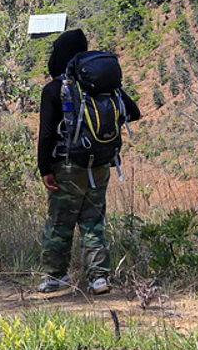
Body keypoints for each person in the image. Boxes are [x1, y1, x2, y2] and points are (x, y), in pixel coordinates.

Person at [36, 29, 141, 296]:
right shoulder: (100, 84)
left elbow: (47, 133)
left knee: (60, 222)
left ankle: (54, 277)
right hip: (100, 163)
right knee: (93, 221)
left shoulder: (54, 89)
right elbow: (134, 112)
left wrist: (45, 168)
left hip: (67, 166)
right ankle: (98, 278)